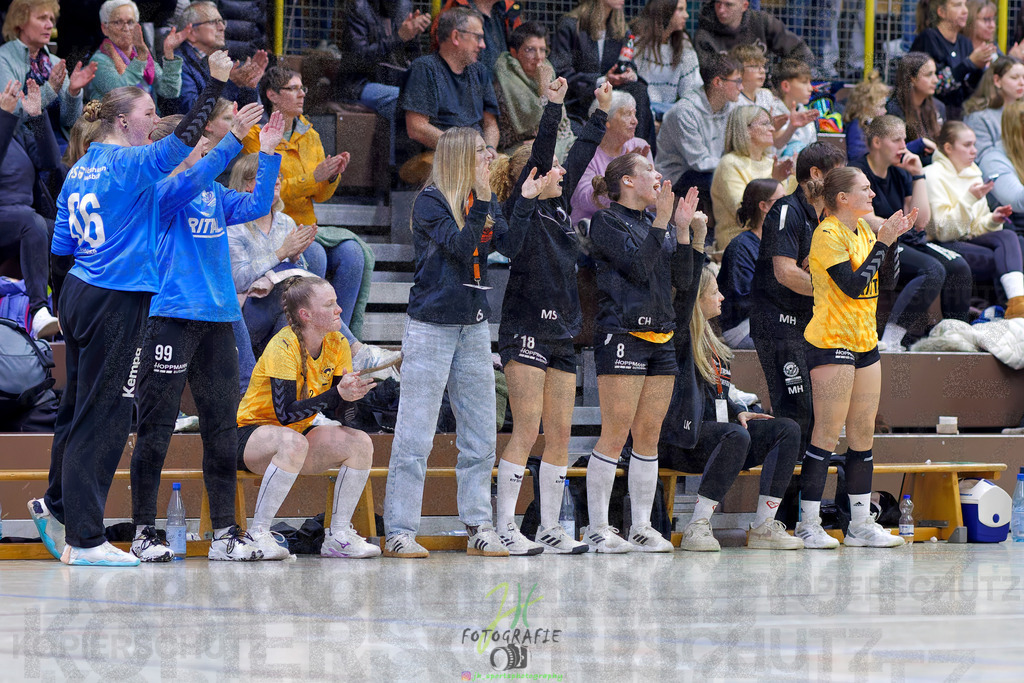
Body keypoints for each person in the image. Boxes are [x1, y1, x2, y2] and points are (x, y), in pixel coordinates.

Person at [28, 52, 233, 567]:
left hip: (78, 293)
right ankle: (87, 539)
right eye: (146, 115)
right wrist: (215, 82)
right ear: (123, 121)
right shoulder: (129, 163)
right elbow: (183, 139)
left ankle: (56, 507)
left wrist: (60, 303)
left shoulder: (80, 169)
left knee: (76, 409)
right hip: (117, 299)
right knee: (106, 415)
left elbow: (59, 247)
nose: (152, 124)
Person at [125, 105, 281, 563]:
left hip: (218, 318)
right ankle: (142, 531)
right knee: (155, 426)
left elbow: (255, 204)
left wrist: (267, 154)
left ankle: (226, 534)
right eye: (202, 146)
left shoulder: (212, 193)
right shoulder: (162, 190)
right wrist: (233, 138)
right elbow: (193, 180)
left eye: (211, 148)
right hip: (170, 316)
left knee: (221, 428)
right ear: (178, 149)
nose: (210, 152)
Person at [382, 127, 529, 559]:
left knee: (481, 434)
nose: (491, 158)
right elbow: (465, 248)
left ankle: (479, 525)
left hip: (473, 325)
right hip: (431, 326)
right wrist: (484, 198)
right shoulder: (431, 201)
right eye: (483, 152)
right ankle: (400, 531)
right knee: (415, 435)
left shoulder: (483, 198)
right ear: (462, 157)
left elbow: (511, 245)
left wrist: (524, 201)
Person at [489, 79, 611, 556]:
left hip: (562, 332)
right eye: (552, 167)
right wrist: (554, 105)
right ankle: (504, 527)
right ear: (534, 177)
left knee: (559, 432)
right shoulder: (522, 212)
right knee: (527, 428)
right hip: (526, 330)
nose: (564, 169)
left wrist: (599, 113)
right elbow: (547, 151)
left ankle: (548, 528)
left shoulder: (559, 207)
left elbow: (579, 153)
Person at [583, 157, 702, 553]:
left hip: (661, 336)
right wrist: (662, 222)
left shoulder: (661, 226)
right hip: (622, 332)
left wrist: (682, 231)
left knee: (648, 437)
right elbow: (637, 267)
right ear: (628, 181)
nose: (659, 177)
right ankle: (598, 527)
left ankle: (641, 526)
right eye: (650, 170)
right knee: (615, 433)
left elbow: (684, 282)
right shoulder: (606, 222)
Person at [796, 166, 911, 549]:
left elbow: (883, 284)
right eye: (865, 189)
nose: (873, 194)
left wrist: (892, 243)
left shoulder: (863, 231)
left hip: (865, 341)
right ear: (842, 198)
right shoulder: (827, 233)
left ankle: (860, 524)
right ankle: (808, 525)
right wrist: (883, 242)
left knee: (863, 436)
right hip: (831, 340)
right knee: (826, 434)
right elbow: (852, 285)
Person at [236, 276, 380, 560]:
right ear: (306, 315)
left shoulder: (337, 343)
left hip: (297, 435)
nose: (339, 309)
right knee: (293, 442)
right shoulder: (284, 345)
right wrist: (335, 394)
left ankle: (338, 536)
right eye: (330, 304)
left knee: (360, 442)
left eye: (337, 302)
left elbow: (340, 414)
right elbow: (286, 413)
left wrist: (351, 397)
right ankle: (259, 533)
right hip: (250, 435)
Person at [661, 265, 804, 552]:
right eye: (714, 292)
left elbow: (718, 393)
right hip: (680, 441)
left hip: (717, 438)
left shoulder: (713, 340)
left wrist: (738, 408)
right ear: (695, 298)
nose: (722, 297)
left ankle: (764, 526)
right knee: (735, 436)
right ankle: (697, 527)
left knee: (786, 429)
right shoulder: (677, 338)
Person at [243, 66, 376, 338]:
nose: (301, 94)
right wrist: (312, 177)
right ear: (272, 95)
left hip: (307, 225)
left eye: (302, 88)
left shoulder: (311, 135)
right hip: (274, 228)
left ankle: (336, 337)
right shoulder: (257, 136)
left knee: (353, 254)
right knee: (314, 253)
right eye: (292, 88)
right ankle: (307, 335)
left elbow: (321, 195)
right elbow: (269, 191)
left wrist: (330, 177)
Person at [750, 142, 848, 458]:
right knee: (797, 413)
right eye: (838, 173)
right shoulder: (787, 210)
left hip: (808, 327)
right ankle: (783, 501)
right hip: (778, 325)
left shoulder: (826, 219)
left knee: (819, 415)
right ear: (815, 174)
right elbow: (785, 273)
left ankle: (806, 503)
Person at [852, 115, 974, 349]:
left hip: (905, 238)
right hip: (877, 241)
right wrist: (894, 225)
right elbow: (861, 218)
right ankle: (891, 340)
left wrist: (918, 175)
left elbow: (921, 221)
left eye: (904, 140)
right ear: (877, 142)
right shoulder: (858, 171)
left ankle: (955, 336)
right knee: (931, 269)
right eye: (896, 140)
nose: (903, 147)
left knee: (959, 266)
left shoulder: (900, 171)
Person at [924, 121, 1024, 317]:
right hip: (943, 243)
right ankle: (1003, 311)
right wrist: (970, 199)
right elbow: (943, 231)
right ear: (948, 148)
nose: (974, 151)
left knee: (1010, 237)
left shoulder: (974, 174)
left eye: (974, 145)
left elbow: (977, 226)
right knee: (1003, 257)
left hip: (968, 239)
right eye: (967, 145)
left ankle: (1017, 303)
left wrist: (993, 220)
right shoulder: (932, 175)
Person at [400, 5, 500, 184]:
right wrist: (462, 149)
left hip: (476, 157)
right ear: (455, 36)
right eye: (478, 37)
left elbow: (491, 124)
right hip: (439, 158)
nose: (483, 45)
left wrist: (490, 148)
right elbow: (416, 127)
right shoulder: (425, 68)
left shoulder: (480, 71)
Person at [0, 79, 60, 339]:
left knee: (66, 233)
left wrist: (36, 116)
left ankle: (69, 312)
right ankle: (39, 312)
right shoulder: (5, 124)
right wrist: (4, 117)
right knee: (31, 222)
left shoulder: (14, 130)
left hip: (23, 218)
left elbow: (50, 161)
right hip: (13, 218)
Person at [551, 0, 656, 147]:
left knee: (639, 91)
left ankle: (641, 154)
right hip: (581, 98)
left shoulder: (619, 28)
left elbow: (626, 61)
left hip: (612, 93)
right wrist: (603, 80)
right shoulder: (570, 25)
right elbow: (560, 73)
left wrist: (629, 73)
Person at [336, 0, 428, 163]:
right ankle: (393, 171)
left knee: (420, 96)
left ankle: (418, 167)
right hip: (359, 84)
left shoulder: (403, 5)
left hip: (395, 81)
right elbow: (358, 59)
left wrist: (413, 34)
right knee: (399, 98)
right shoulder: (359, 7)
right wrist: (399, 37)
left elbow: (413, 56)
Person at [655, 53, 741, 217]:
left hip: (714, 167)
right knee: (725, 184)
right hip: (678, 175)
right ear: (718, 82)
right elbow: (699, 162)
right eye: (737, 81)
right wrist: (735, 165)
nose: (741, 87)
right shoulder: (685, 111)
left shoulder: (730, 106)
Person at [710, 105, 795, 253]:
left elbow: (785, 215)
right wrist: (775, 180)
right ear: (746, 129)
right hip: (740, 249)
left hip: (772, 245)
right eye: (765, 123)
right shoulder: (729, 164)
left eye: (771, 123)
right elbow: (745, 217)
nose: (772, 129)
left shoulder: (772, 163)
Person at [0, 0, 97, 130]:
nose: (50, 25)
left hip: (58, 141)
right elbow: (10, 112)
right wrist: (50, 89)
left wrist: (73, 93)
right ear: (21, 21)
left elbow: (70, 121)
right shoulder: (4, 58)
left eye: (51, 19)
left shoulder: (55, 62)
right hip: (24, 143)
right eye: (42, 18)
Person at [493, 21, 576, 160]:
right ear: (514, 52)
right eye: (530, 50)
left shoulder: (548, 71)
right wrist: (544, 90)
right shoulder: (504, 79)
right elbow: (535, 123)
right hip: (516, 147)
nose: (539, 57)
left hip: (549, 141)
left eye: (543, 50)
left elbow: (562, 123)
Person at [569, 90, 653, 225]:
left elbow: (654, 195)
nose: (635, 121)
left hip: (634, 225)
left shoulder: (640, 147)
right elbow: (583, 200)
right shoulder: (585, 151)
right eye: (627, 114)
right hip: (594, 226)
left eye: (635, 114)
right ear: (606, 121)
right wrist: (620, 174)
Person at [718, 178, 783, 349]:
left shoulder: (780, 242)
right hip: (744, 326)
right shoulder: (741, 247)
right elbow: (745, 300)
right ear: (764, 206)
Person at [171, 1, 267, 115]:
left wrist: (247, 86)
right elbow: (192, 110)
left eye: (222, 22)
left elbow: (241, 114)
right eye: (213, 22)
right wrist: (228, 83)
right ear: (191, 32)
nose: (222, 28)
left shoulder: (212, 60)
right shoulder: (178, 62)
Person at [87, 1, 185, 111]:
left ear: (137, 26)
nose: (126, 28)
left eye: (130, 22)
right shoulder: (99, 60)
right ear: (105, 28)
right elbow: (122, 93)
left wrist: (169, 53)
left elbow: (169, 90)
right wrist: (140, 59)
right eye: (117, 22)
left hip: (151, 122)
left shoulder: (142, 55)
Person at [911, 0, 992, 120]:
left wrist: (979, 66)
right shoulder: (929, 38)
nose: (965, 11)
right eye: (957, 5)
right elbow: (935, 85)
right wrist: (969, 63)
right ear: (941, 12)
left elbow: (970, 89)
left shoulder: (965, 42)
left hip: (960, 114)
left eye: (965, 4)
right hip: (932, 115)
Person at [631, 0, 701, 117]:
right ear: (664, 11)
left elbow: (692, 89)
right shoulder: (638, 42)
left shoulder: (683, 43)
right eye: (680, 9)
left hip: (671, 112)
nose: (686, 15)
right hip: (641, 112)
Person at [693, 0, 813, 66]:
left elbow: (801, 51)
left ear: (744, 6)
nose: (721, 10)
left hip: (765, 93)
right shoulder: (705, 35)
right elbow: (708, 78)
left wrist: (779, 80)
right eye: (718, 3)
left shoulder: (762, 21)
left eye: (728, 5)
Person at [887, 52, 945, 164]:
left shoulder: (938, 107)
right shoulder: (893, 110)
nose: (936, 80)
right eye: (929, 75)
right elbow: (891, 153)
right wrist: (920, 144)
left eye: (935, 73)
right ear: (912, 78)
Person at [964, 56, 1024, 163]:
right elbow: (983, 158)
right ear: (997, 80)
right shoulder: (979, 117)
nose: (1022, 83)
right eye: (1014, 78)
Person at [770, 58, 818, 159]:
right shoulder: (771, 111)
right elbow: (775, 145)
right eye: (804, 82)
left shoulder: (805, 113)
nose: (810, 88)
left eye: (810, 82)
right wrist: (792, 127)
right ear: (786, 86)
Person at [844, 70, 891, 161]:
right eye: (881, 106)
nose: (885, 111)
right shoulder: (856, 127)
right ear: (866, 107)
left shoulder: (870, 124)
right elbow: (856, 155)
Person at [729, 43, 773, 111]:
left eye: (762, 66)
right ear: (739, 69)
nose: (762, 71)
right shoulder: (733, 101)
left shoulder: (766, 95)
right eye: (755, 66)